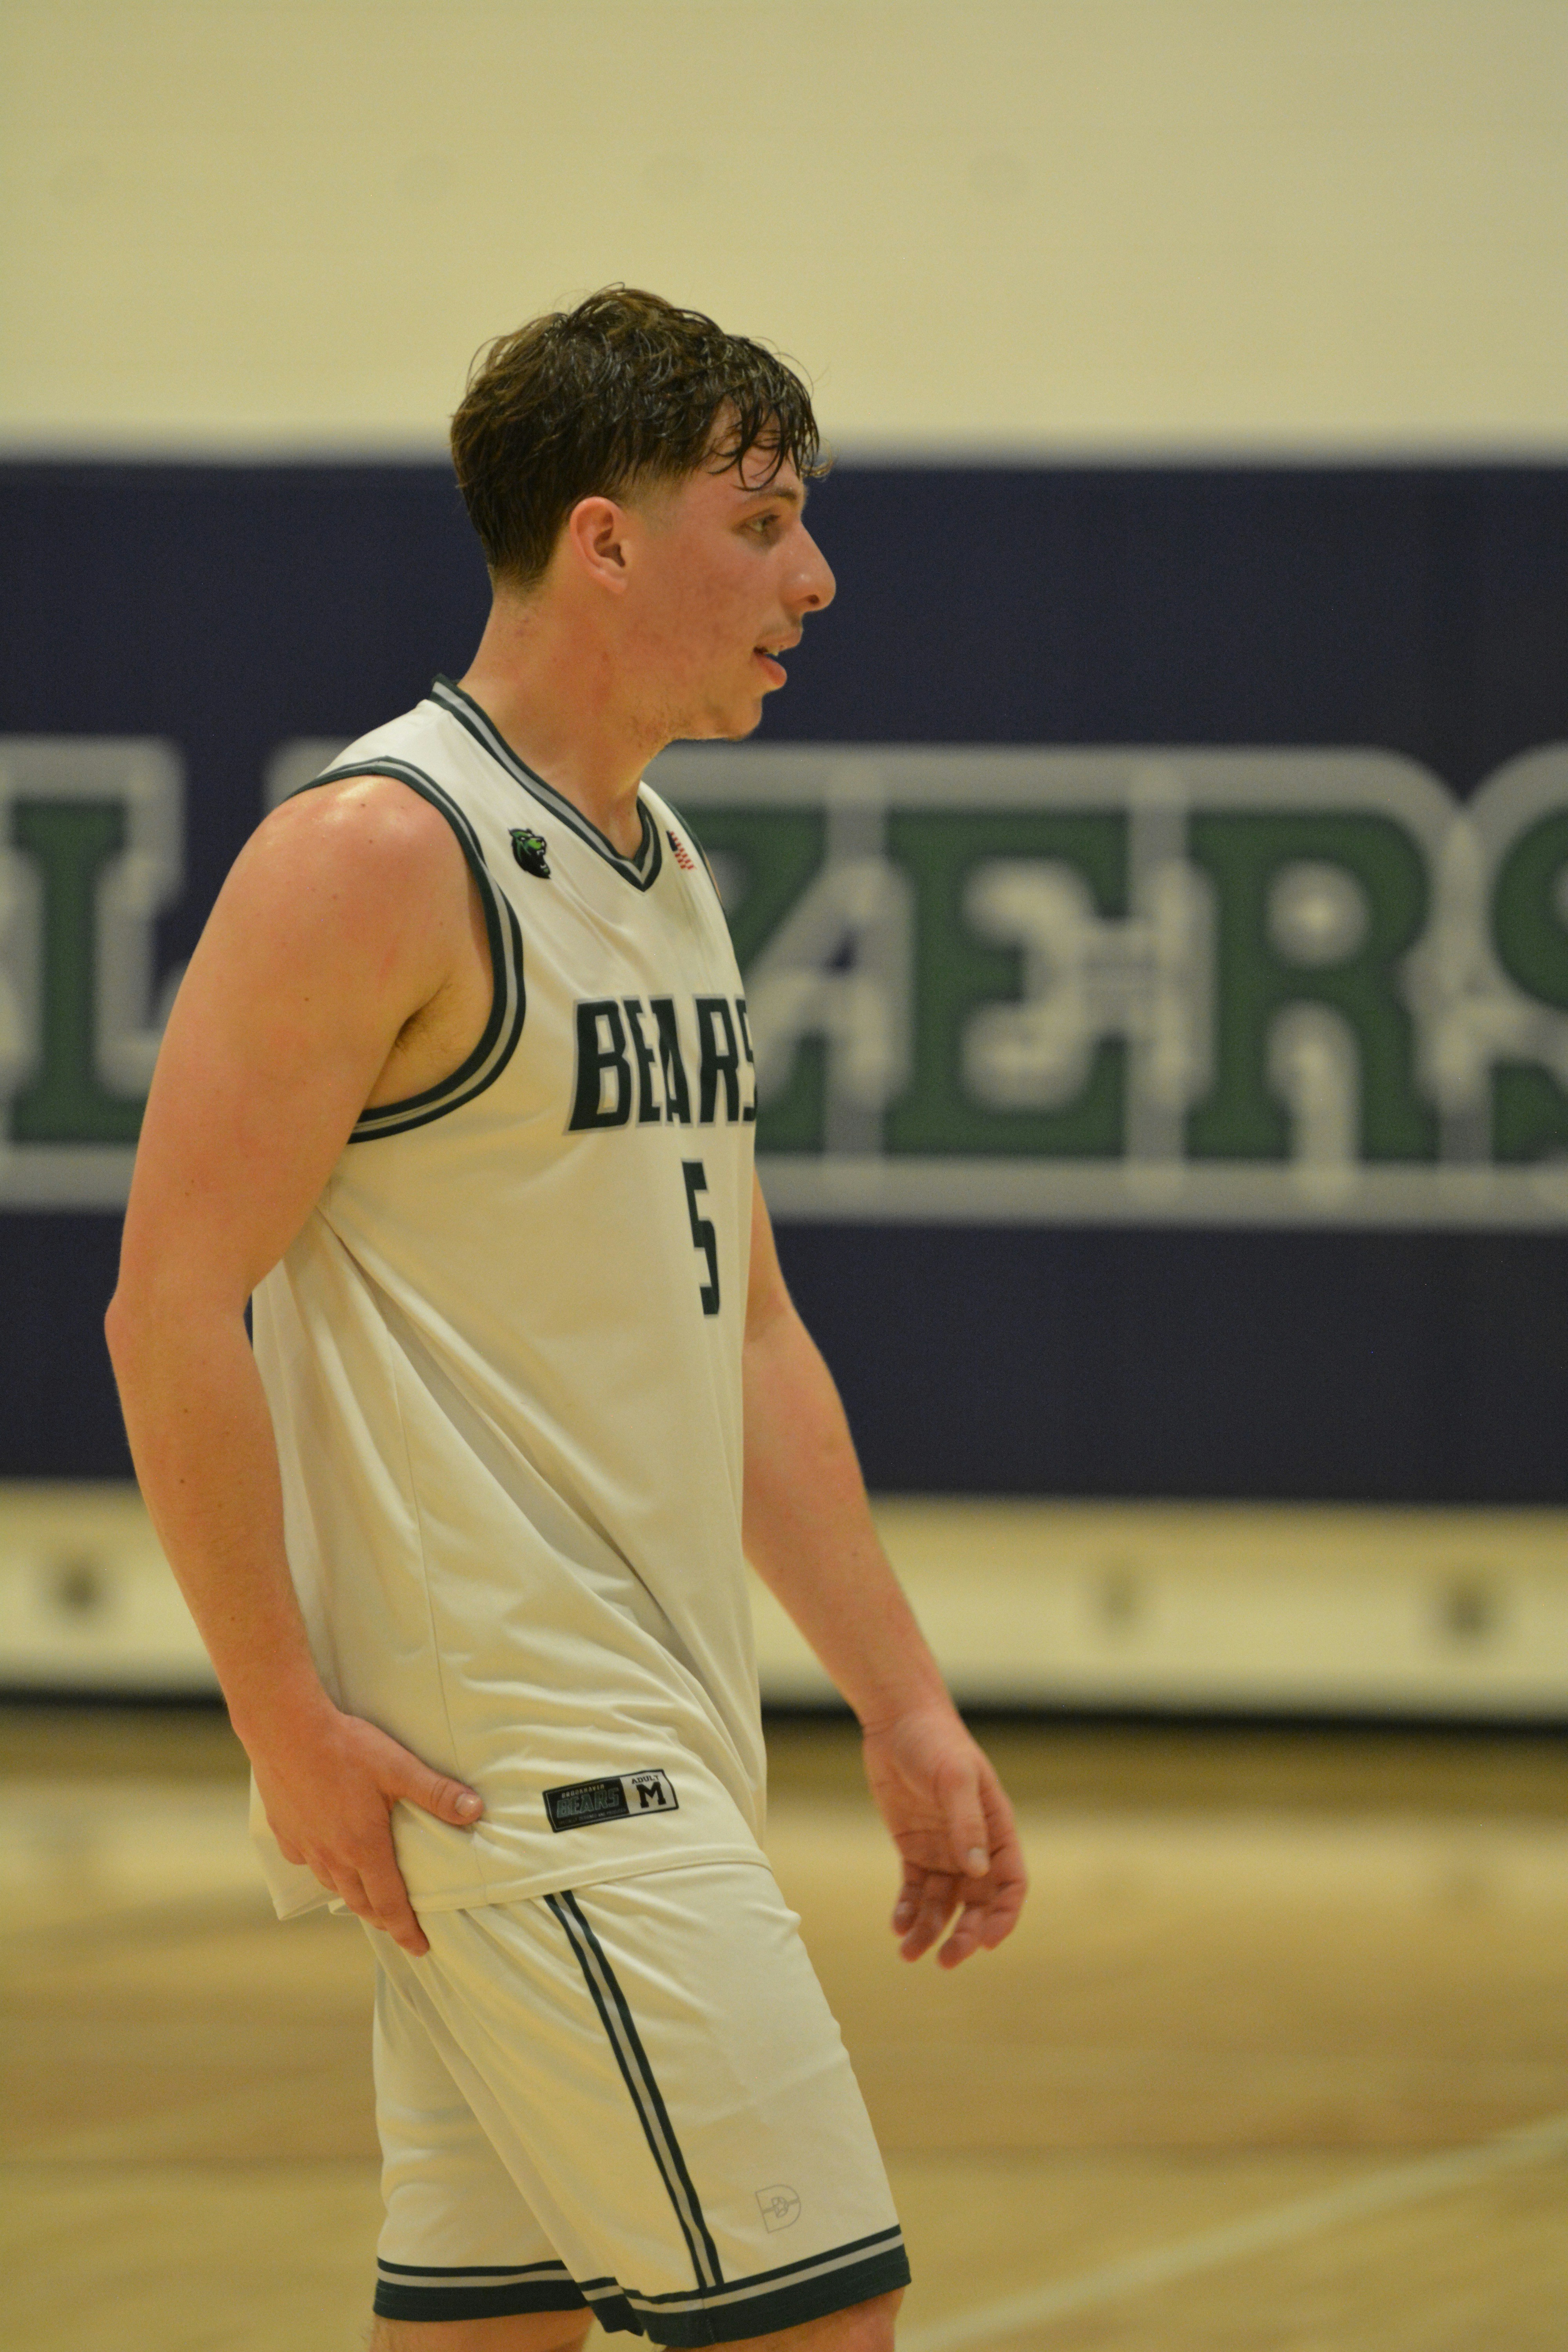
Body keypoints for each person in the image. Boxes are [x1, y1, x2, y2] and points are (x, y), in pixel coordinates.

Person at [106, 287, 1027, 2352]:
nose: (817, 574)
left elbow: (752, 1334)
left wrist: (900, 1701)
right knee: (824, 2323)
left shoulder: (664, 864)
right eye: (765, 519)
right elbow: (168, 1307)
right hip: (534, 1783)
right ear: (604, 538)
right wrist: (279, 1722)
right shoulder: (376, 853)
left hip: (634, 1754)